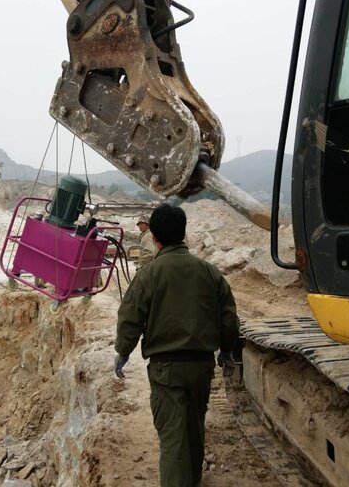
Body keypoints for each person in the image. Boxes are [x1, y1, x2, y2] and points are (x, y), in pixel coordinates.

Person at [114, 204, 239, 487]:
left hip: (166, 369)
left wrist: (123, 352)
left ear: (154, 237)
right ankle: (193, 479)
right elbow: (229, 316)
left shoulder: (149, 273)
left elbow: (130, 317)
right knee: (194, 427)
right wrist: (227, 350)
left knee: (173, 437)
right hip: (201, 366)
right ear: (184, 233)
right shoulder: (209, 271)